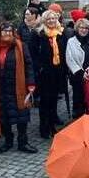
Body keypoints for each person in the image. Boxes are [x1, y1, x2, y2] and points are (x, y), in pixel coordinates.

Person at [0, 23, 37, 154]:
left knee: (22, 116)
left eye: (9, 31)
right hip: (0, 88)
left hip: (18, 87)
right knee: (4, 117)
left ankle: (23, 142)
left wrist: (31, 83)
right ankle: (8, 141)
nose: (7, 33)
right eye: (4, 31)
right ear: (0, 33)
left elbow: (29, 65)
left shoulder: (21, 46)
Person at [30, 10, 67, 139]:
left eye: (53, 19)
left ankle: (52, 125)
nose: (51, 21)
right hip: (44, 73)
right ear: (44, 20)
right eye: (49, 19)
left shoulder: (61, 34)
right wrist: (39, 68)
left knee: (54, 101)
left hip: (57, 72)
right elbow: (33, 54)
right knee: (45, 101)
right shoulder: (38, 34)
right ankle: (44, 127)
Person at [66, 19, 89, 118]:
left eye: (86, 28)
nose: (84, 30)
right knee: (79, 99)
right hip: (77, 75)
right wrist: (81, 73)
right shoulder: (71, 41)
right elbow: (69, 59)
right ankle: (80, 120)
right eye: (81, 27)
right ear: (77, 28)